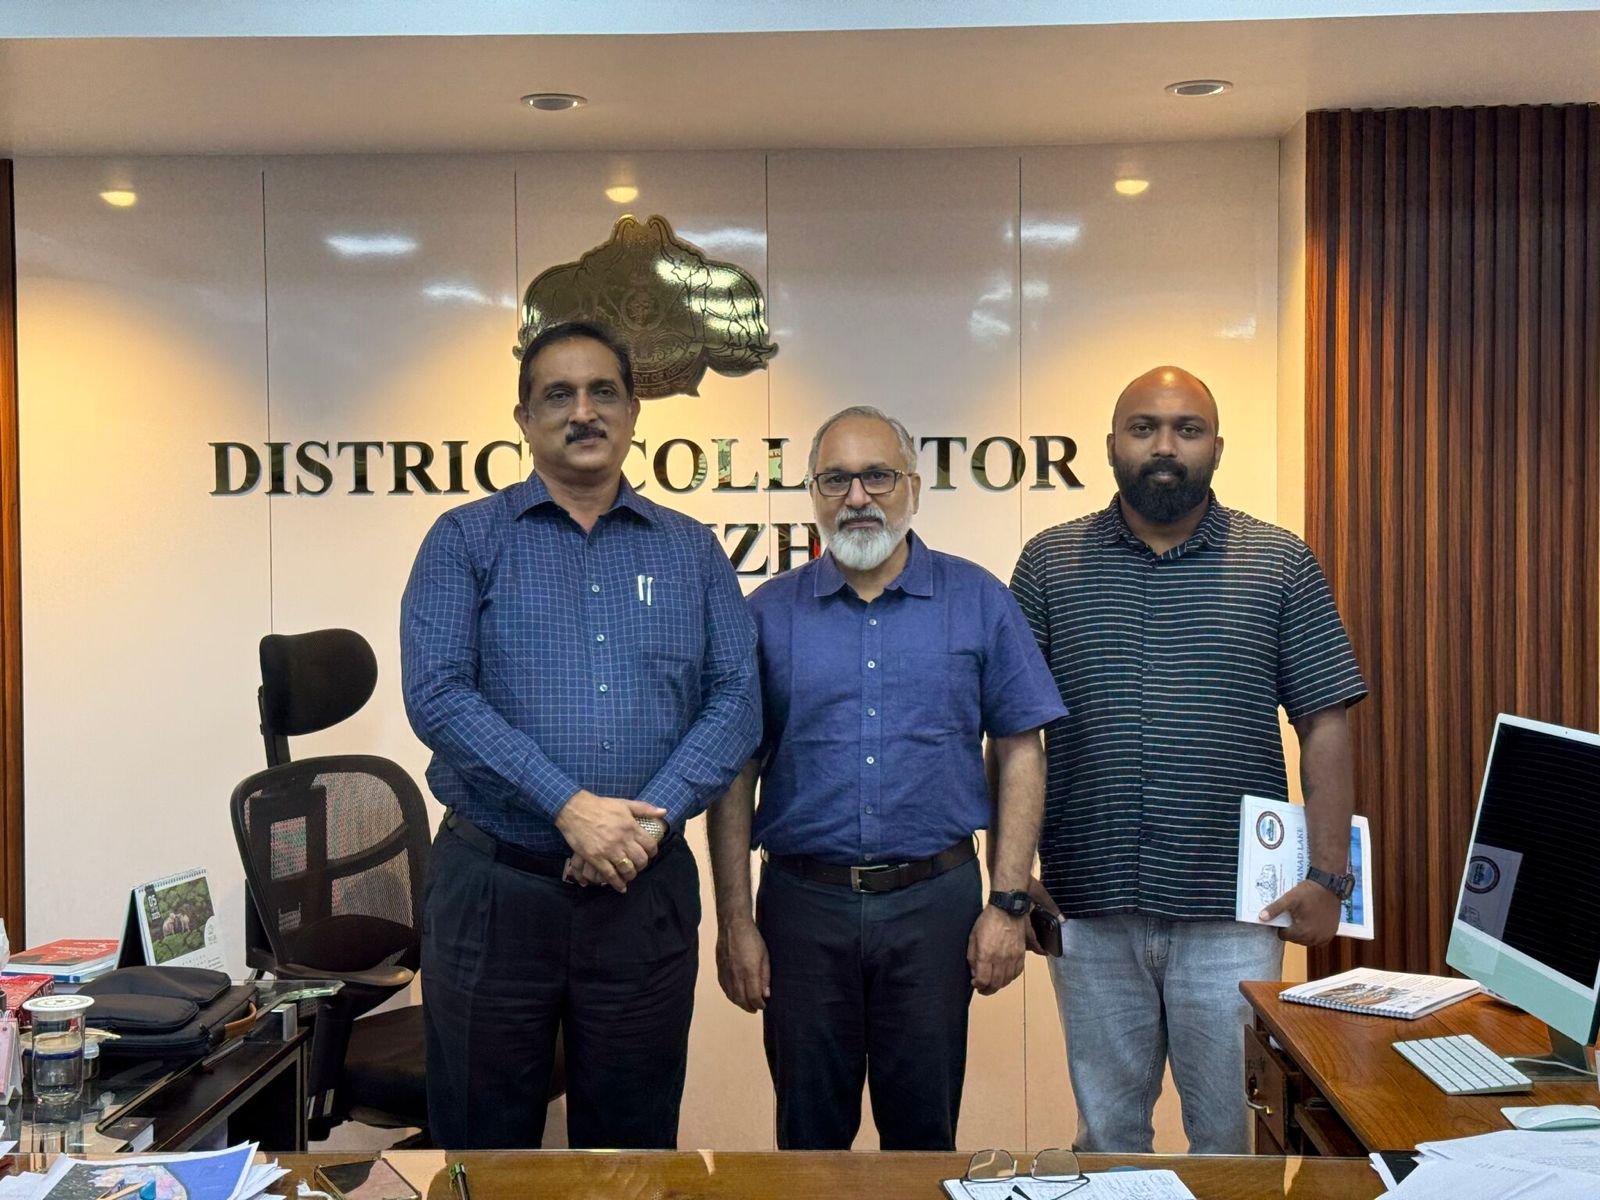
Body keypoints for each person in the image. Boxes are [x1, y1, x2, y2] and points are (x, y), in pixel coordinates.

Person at [400, 320, 761, 1150]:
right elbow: (438, 695)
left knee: (631, 1154)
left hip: (644, 894)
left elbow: (737, 699)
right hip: (495, 894)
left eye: (603, 392)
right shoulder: (464, 539)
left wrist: (644, 825)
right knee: (482, 1150)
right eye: (558, 395)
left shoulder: (691, 550)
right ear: (523, 419)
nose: (583, 411)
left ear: (634, 411)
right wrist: (569, 807)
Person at [1009, 366, 1367, 1154]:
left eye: (1187, 429)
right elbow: (1011, 731)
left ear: (1217, 447)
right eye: (1144, 428)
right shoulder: (1050, 563)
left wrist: (1329, 875)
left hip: (1235, 912)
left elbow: (1325, 721)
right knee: (1108, 1137)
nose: (1165, 446)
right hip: (1087, 906)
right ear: (1111, 444)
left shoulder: (1278, 562)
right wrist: (1010, 873)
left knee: (1232, 1139)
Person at [707, 405, 1066, 1151]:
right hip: (802, 910)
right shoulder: (766, 614)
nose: (857, 497)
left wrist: (1007, 903)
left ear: (913, 487)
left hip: (933, 907)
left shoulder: (978, 600)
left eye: (877, 476)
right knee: (808, 1143)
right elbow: (734, 772)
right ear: (813, 493)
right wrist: (736, 922)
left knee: (924, 1138)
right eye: (835, 480)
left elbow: (1021, 749)